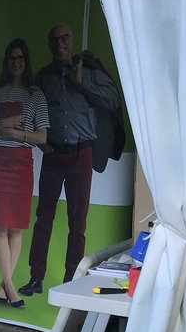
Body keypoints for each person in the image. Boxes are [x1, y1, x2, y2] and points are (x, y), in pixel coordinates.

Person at [18, 22, 121, 296]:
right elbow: (31, 116)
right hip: (53, 156)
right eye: (54, 39)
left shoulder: (88, 72)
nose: (60, 43)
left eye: (65, 38)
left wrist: (82, 84)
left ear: (72, 41)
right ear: (49, 45)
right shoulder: (42, 78)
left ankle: (71, 280)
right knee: (44, 218)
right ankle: (35, 277)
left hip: (81, 155)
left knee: (78, 221)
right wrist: (43, 147)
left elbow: (112, 102)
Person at [0, 39, 49, 309]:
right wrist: (3, 123)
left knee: (16, 227)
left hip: (21, 160)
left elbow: (42, 136)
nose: (16, 62)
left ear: (26, 61)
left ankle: (2, 288)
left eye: (21, 58)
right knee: (0, 225)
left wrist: (17, 133)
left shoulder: (36, 95)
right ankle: (10, 289)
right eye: (12, 58)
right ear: (6, 62)